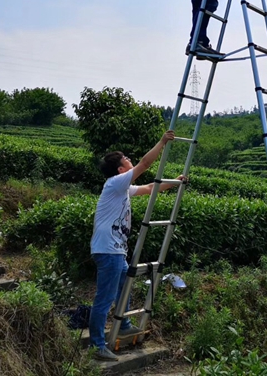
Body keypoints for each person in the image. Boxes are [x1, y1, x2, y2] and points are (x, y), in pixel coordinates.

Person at [88, 130, 185, 361]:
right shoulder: (115, 182)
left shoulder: (122, 187)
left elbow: (150, 188)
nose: (130, 161)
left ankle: (123, 324)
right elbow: (144, 163)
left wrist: (175, 182)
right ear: (121, 170)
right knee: (105, 298)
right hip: (108, 250)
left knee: (124, 287)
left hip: (116, 251)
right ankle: (97, 345)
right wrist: (162, 142)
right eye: (126, 160)